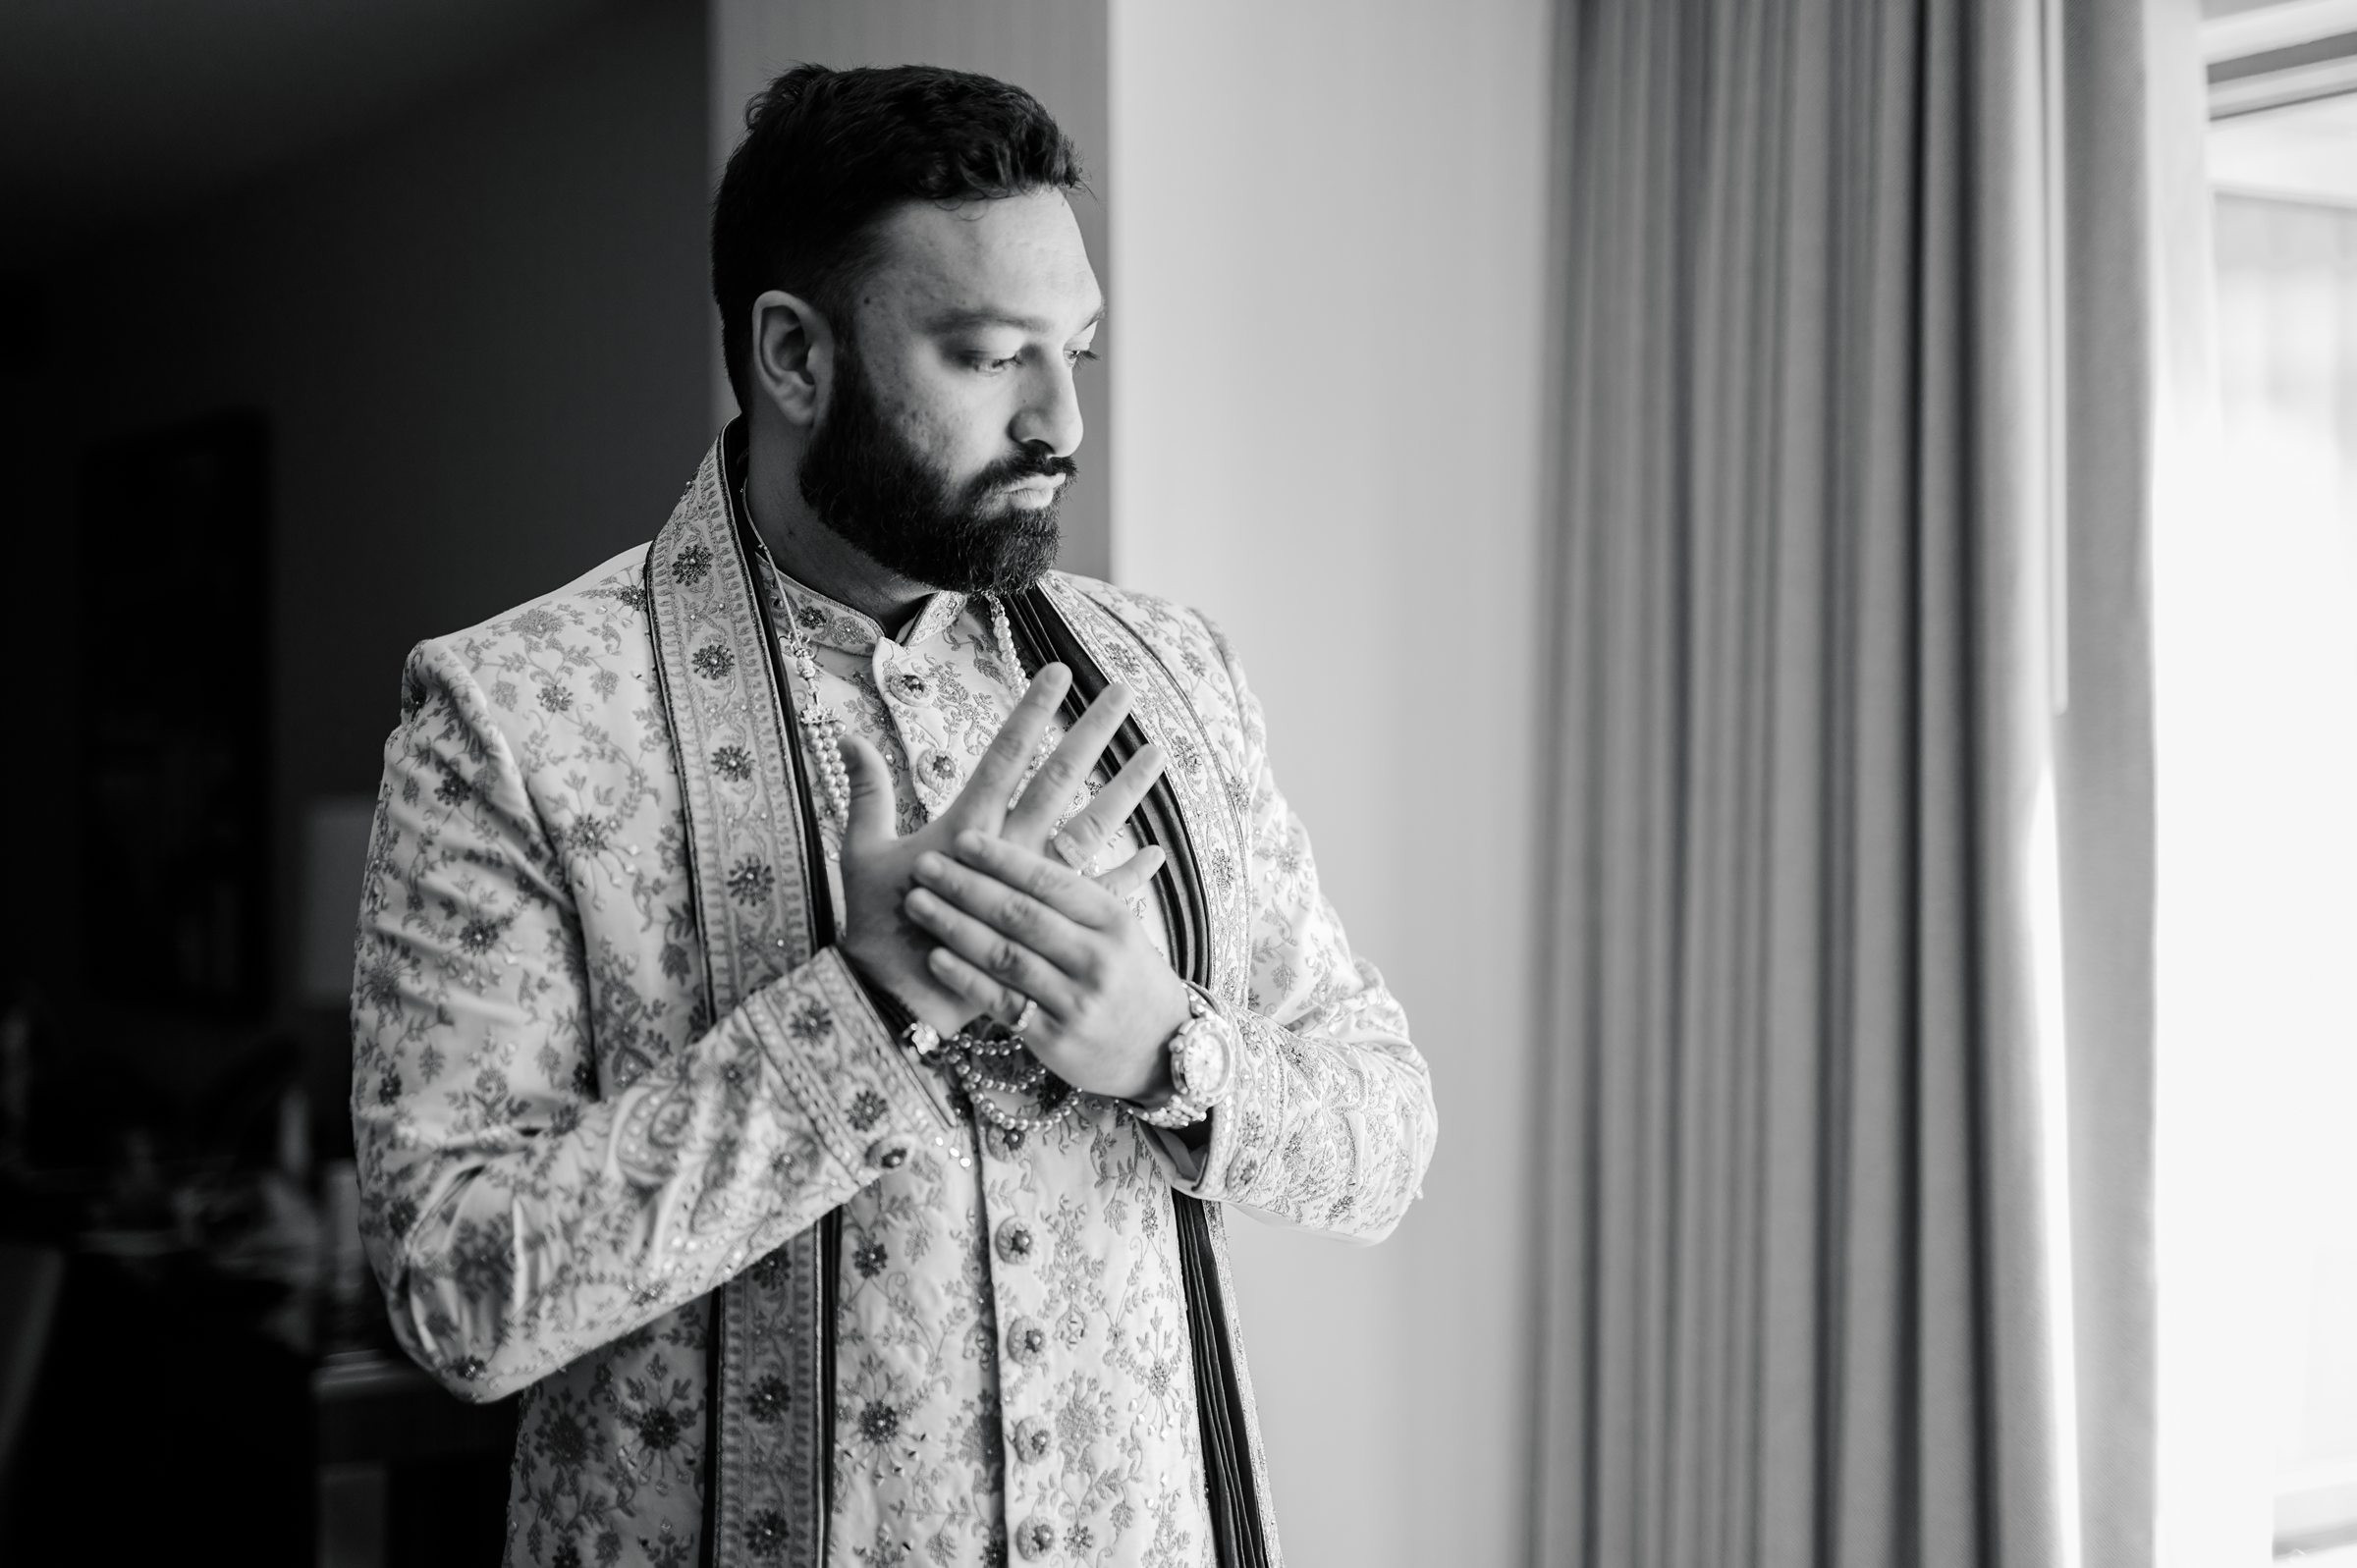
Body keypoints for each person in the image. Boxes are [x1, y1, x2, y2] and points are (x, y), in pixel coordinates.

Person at [352, 62, 1436, 1568]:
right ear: (795, 356)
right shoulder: (513, 718)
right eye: (991, 357)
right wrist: (861, 1013)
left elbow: (1388, 1132)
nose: (1061, 421)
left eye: (1081, 353)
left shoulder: (1174, 675)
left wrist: (1166, 1044)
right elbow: (458, 1296)